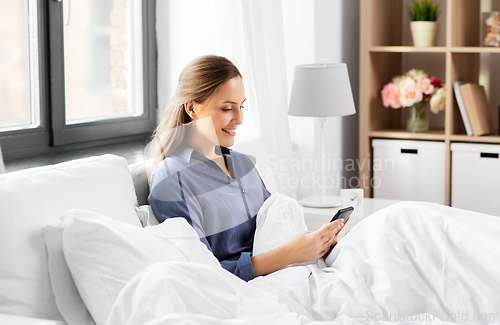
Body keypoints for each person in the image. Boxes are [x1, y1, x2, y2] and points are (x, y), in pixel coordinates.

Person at [148, 55, 344, 281]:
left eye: (241, 106)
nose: (239, 118)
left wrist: (316, 244)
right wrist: (292, 253)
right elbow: (201, 272)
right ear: (192, 107)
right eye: (227, 108)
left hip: (295, 272)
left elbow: (271, 227)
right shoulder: (172, 177)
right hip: (250, 288)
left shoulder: (243, 164)